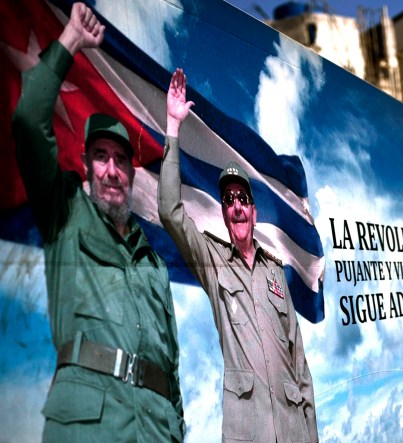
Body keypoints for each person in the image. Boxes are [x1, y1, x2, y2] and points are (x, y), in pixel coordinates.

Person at [11, 3, 184, 441]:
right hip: (89, 428)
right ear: (86, 167)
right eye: (101, 157)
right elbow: (28, 121)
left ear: (131, 174)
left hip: (156, 430)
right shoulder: (65, 212)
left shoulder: (153, 263)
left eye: (121, 160)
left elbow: (172, 365)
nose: (111, 170)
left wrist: (176, 429)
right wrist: (71, 38)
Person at [159, 68, 318, 443]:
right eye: (228, 200)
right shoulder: (212, 262)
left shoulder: (276, 272)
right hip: (248, 432)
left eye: (243, 199)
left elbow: (299, 363)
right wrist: (173, 127)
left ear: (253, 211)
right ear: (225, 213)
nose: (236, 206)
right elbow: (170, 212)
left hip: (294, 432)